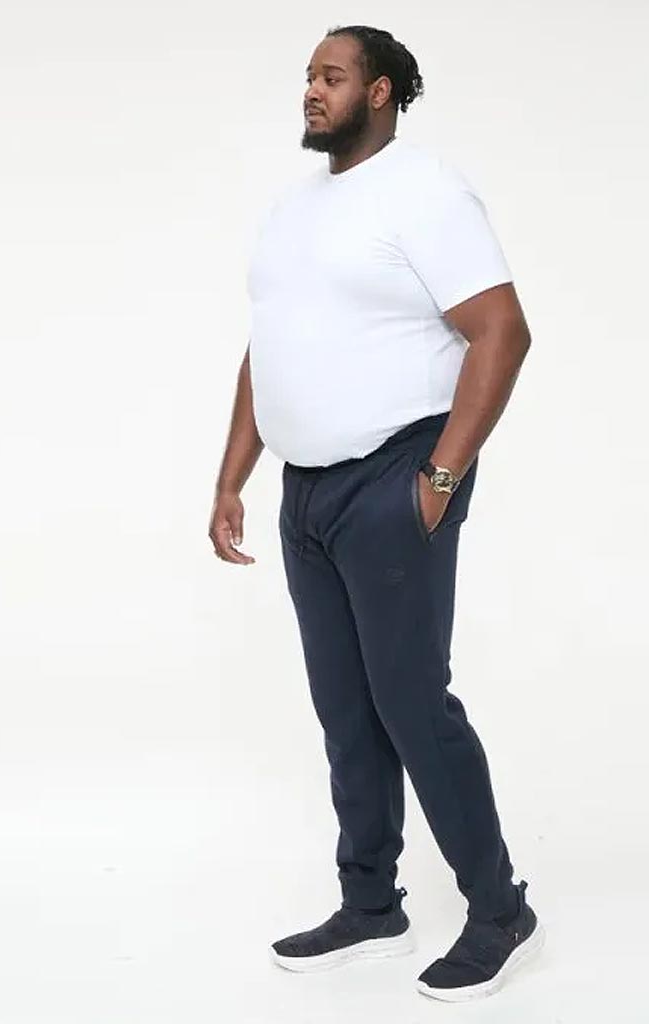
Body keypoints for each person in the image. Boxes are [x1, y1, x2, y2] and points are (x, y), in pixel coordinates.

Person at [208, 24, 544, 1002]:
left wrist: (437, 481)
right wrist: (232, 477)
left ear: (381, 91)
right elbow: (268, 349)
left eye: (332, 76)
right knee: (344, 708)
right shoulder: (292, 211)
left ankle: (498, 909)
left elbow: (500, 331)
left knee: (410, 704)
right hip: (305, 492)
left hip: (393, 477)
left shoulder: (425, 193)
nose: (311, 90)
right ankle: (370, 904)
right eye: (308, 76)